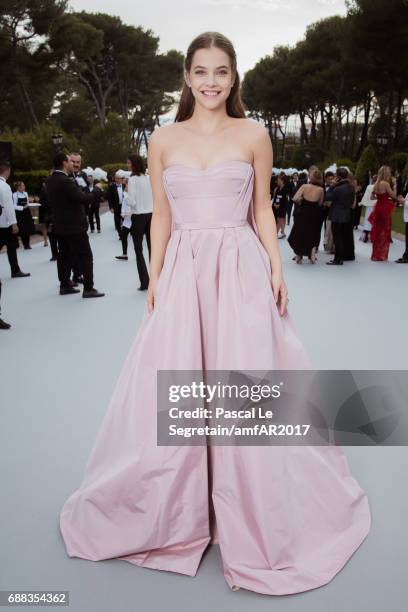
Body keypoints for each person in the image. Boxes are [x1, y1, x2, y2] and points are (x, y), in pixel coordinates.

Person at [59, 32, 370, 597]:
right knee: (180, 379)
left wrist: (276, 269)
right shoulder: (162, 138)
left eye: (220, 72)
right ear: (186, 76)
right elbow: (161, 218)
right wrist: (155, 276)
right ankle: (181, 508)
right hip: (183, 270)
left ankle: (249, 504)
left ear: (234, 78)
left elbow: (258, 212)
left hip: (241, 268)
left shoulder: (253, 133)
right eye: (200, 71)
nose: (210, 82)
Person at [45, 152, 105, 298]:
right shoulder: (65, 181)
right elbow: (83, 199)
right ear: (65, 163)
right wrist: (97, 190)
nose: (73, 164)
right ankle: (89, 288)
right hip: (75, 226)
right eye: (70, 161)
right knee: (85, 255)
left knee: (63, 255)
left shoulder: (50, 180)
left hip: (61, 225)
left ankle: (65, 285)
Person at [0, 160, 30, 280]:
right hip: (5, 223)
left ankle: (15, 270)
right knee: (10, 246)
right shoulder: (4, 186)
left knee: (11, 246)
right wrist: (14, 223)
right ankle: (15, 270)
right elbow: (8, 206)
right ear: (7, 171)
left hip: (2, 221)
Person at [126, 154, 153, 290]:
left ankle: (144, 282)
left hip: (138, 216)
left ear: (134, 164)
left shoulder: (132, 180)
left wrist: (125, 195)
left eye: (129, 163)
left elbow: (132, 202)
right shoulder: (149, 177)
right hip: (151, 215)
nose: (127, 165)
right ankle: (156, 280)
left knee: (138, 250)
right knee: (152, 249)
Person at [288, 168, 325, 263]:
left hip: (303, 212)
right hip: (314, 214)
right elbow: (320, 203)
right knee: (312, 233)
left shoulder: (304, 186)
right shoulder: (321, 189)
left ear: (311, 177)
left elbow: (295, 198)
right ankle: (312, 254)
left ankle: (298, 256)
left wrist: (301, 200)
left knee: (300, 233)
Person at [324, 167, 355, 265]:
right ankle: (340, 257)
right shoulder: (350, 187)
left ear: (338, 177)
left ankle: (338, 259)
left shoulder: (338, 188)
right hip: (346, 215)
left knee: (337, 238)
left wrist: (332, 186)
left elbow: (327, 197)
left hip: (336, 215)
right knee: (341, 237)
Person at [368, 165, 397, 262]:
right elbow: (394, 196)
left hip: (378, 208)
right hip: (384, 209)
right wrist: (395, 185)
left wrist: (380, 198)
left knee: (377, 230)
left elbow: (372, 197)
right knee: (385, 230)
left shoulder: (376, 183)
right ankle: (382, 255)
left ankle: (375, 255)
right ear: (386, 173)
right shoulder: (385, 184)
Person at [12, 182, 35, 249]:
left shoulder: (25, 193)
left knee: (28, 228)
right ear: (18, 187)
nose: (24, 187)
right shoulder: (14, 195)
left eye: (24, 185)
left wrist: (29, 203)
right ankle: (25, 244)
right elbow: (13, 206)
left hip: (27, 213)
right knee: (22, 229)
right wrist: (22, 207)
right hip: (20, 214)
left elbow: (27, 202)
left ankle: (28, 244)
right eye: (23, 186)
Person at [115, 178, 133, 260]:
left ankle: (138, 254)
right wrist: (122, 212)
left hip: (133, 220)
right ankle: (124, 254)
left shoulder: (132, 195)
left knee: (137, 239)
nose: (125, 186)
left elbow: (133, 207)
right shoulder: (125, 194)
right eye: (125, 184)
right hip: (126, 220)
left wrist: (127, 214)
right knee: (123, 235)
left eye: (127, 185)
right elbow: (124, 205)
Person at [107, 172, 125, 239]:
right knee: (117, 222)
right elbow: (109, 198)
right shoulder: (111, 187)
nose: (118, 180)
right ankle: (120, 235)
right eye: (117, 178)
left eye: (119, 178)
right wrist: (111, 207)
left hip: (124, 207)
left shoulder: (124, 186)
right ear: (115, 179)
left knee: (125, 221)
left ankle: (125, 233)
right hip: (116, 206)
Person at [271, 174, 290, 238]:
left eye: (278, 180)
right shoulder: (278, 188)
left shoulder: (286, 189)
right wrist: (275, 204)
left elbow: (285, 199)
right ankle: (283, 232)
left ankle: (274, 234)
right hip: (277, 206)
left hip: (282, 206)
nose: (277, 181)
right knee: (280, 219)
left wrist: (279, 205)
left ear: (282, 181)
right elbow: (276, 197)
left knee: (280, 219)